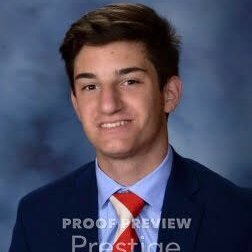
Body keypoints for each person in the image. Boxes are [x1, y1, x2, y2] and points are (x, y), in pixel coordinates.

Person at [9, 3, 251, 252]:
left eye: (129, 81)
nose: (108, 105)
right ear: (76, 104)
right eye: (90, 86)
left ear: (169, 94)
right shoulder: (37, 216)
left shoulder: (240, 216)